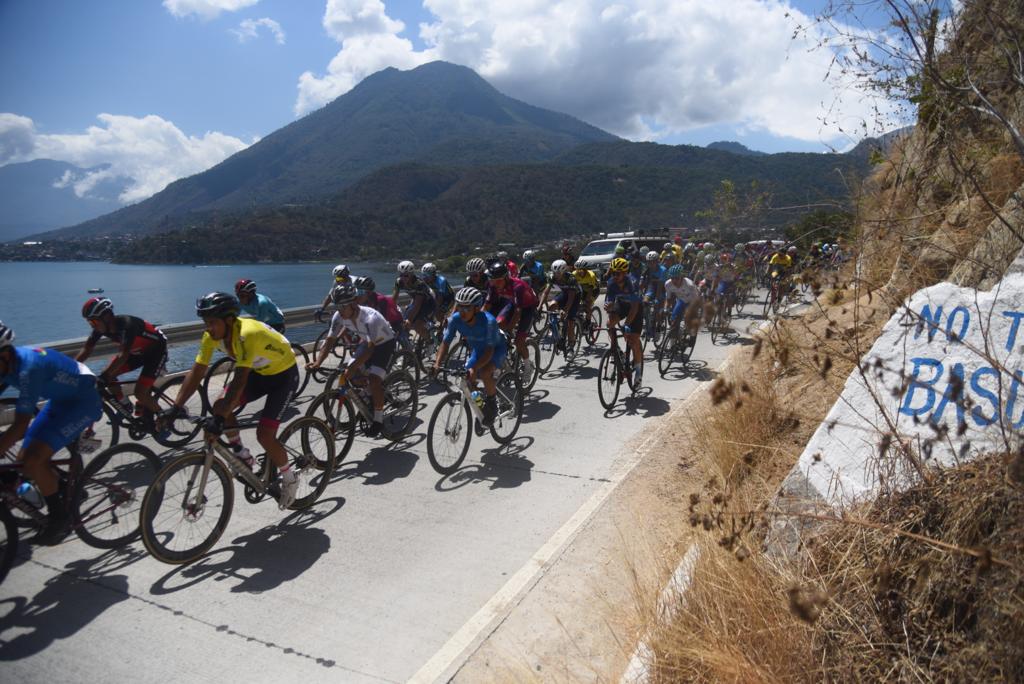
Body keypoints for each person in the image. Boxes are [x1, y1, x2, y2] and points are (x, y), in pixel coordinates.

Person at [169, 293, 300, 509]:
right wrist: (176, 407)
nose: (208, 328)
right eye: (205, 322)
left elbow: (239, 380)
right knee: (220, 406)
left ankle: (290, 479)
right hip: (259, 373)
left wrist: (219, 420)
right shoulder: (210, 337)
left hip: (283, 376)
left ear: (229, 320)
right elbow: (197, 371)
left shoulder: (247, 334)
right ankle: (242, 455)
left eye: (212, 322)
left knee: (264, 435)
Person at [0, 322, 103, 544]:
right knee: (22, 461)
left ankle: (59, 519)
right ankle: (66, 488)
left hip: (83, 402)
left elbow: (19, 426)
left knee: (34, 460)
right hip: (60, 401)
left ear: (5, 354)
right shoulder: (7, 364)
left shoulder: (29, 369)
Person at [308, 284, 397, 438]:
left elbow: (371, 350)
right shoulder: (339, 316)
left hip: (384, 344)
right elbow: (330, 340)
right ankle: (370, 396)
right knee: (352, 375)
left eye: (343, 306)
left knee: (374, 380)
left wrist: (353, 367)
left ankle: (378, 419)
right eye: (337, 306)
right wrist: (317, 362)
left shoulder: (370, 318)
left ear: (353, 304)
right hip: (367, 342)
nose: (340, 310)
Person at [76, 297, 167, 423]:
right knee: (109, 375)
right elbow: (87, 349)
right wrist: (70, 367)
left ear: (106, 317)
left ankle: (164, 416)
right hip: (137, 352)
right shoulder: (101, 328)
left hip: (156, 352)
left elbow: (122, 355)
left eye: (94, 322)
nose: (93, 326)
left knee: (140, 393)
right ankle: (125, 405)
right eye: (90, 323)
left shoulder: (127, 325)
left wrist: (103, 377)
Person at [432, 287, 507, 426]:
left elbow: (490, 352)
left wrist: (475, 367)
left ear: (477, 308)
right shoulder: (455, 319)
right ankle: (482, 408)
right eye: (460, 306)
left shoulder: (489, 322)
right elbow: (445, 342)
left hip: (497, 349)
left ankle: (492, 404)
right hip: (478, 350)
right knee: (468, 382)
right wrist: (437, 363)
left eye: (466, 308)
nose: (462, 311)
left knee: (484, 373)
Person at [483, 260, 538, 378]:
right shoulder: (494, 286)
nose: (496, 284)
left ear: (506, 278)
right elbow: (486, 306)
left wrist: (509, 329)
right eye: (493, 280)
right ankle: (504, 353)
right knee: (498, 323)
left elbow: (518, 312)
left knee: (519, 341)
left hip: (528, 307)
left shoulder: (517, 286)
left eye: (498, 281)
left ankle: (528, 366)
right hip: (513, 303)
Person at [604, 258, 644, 386]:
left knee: (633, 340)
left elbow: (634, 308)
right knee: (609, 324)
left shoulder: (633, 282)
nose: (615, 276)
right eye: (613, 273)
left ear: (625, 273)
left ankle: (638, 373)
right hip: (622, 305)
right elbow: (610, 302)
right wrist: (608, 306)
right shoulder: (611, 283)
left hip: (635, 308)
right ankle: (616, 350)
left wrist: (627, 324)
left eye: (618, 273)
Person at [392, 260, 437, 348]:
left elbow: (417, 305)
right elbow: (393, 300)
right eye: (401, 275)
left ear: (412, 274)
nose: (403, 278)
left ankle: (430, 342)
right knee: (403, 325)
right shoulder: (399, 282)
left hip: (428, 303)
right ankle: (407, 352)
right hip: (415, 300)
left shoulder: (419, 284)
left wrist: (409, 320)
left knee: (417, 325)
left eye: (406, 275)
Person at [539, 259, 581, 351]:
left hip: (575, 296)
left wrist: (565, 310)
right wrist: (539, 307)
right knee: (551, 306)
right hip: (565, 293)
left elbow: (571, 298)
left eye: (558, 273)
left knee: (570, 321)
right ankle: (556, 327)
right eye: (554, 273)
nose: (556, 275)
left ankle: (571, 345)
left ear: (564, 271)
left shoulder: (571, 279)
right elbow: (545, 293)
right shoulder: (552, 277)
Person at [663, 265, 701, 336]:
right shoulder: (668, 284)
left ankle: (691, 335)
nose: (674, 280)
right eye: (672, 278)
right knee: (673, 320)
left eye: (677, 278)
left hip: (692, 302)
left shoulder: (689, 284)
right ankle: (675, 335)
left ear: (682, 277)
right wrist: (665, 308)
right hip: (681, 301)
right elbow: (668, 299)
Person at [420, 262, 454, 327]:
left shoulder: (441, 281)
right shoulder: (425, 280)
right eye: (423, 275)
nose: (425, 278)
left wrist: (434, 310)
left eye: (427, 275)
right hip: (436, 297)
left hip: (448, 299)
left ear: (433, 274)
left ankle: (447, 328)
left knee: (438, 313)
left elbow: (440, 299)